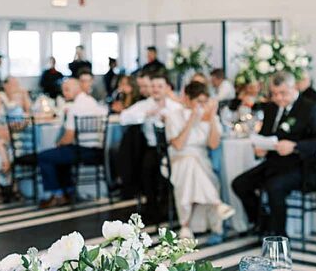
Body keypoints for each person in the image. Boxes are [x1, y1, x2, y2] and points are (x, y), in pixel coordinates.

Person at [232, 72, 316, 237]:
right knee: (240, 184)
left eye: (283, 93)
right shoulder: (270, 108)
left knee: (273, 186)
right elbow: (264, 136)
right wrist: (260, 148)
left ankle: (279, 237)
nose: (278, 98)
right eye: (274, 93)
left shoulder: (309, 108)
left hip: (300, 165)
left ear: (294, 88)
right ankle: (263, 222)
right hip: (273, 163)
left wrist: (295, 146)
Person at [165, 81, 235, 241]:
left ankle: (186, 225)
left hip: (202, 160)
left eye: (205, 102)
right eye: (198, 102)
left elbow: (213, 144)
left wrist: (211, 119)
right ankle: (217, 203)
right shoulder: (174, 116)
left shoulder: (210, 116)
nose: (202, 106)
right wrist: (191, 120)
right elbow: (178, 145)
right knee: (189, 163)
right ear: (188, 99)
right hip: (179, 158)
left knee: (192, 167)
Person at [37, 77, 107, 208]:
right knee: (60, 154)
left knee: (45, 156)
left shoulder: (74, 108)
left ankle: (57, 194)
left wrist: (59, 143)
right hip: (98, 151)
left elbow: (68, 137)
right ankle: (67, 191)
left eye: (67, 90)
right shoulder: (93, 103)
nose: (64, 93)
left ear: (77, 89)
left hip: (82, 151)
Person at [118, 71, 178, 220]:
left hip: (173, 148)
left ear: (167, 88)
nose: (156, 89)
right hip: (152, 148)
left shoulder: (175, 107)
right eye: (153, 86)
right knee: (147, 167)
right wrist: (145, 115)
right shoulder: (144, 105)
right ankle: (152, 207)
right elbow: (123, 118)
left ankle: (171, 206)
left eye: (160, 86)